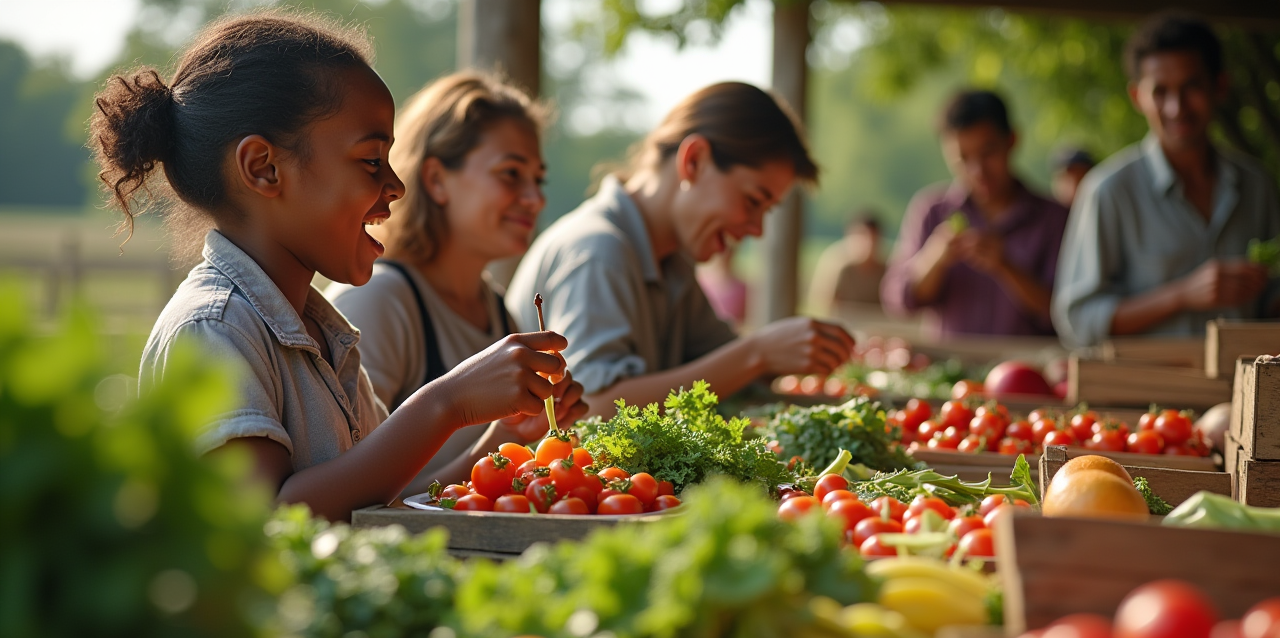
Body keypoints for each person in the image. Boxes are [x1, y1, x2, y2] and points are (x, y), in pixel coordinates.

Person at [95, 12, 579, 521]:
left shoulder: (322, 333)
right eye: (371, 161)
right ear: (264, 168)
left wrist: (498, 440)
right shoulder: (215, 327)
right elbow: (266, 522)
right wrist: (446, 403)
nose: (396, 186)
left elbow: (378, 505)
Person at [506, 82, 855, 413]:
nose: (757, 229)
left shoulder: (673, 263)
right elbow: (593, 409)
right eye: (752, 201)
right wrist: (759, 353)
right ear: (694, 161)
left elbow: (723, 368)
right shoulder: (598, 250)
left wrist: (784, 354)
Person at [326, 72, 587, 492]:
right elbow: (353, 504)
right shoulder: (378, 300)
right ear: (436, 180)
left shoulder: (499, 310)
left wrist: (520, 439)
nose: (535, 199)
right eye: (510, 174)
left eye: (538, 179)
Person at [1052, 13, 1280, 348]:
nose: (1176, 108)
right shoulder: (1109, 191)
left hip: (1251, 391)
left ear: (1220, 86)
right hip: (1147, 395)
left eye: (1192, 87)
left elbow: (1272, 299)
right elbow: (1077, 321)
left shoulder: (1257, 186)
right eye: (1160, 91)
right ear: (1137, 97)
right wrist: (1182, 295)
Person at [881, 89, 1068, 338]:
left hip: (1028, 371)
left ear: (1012, 140)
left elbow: (1064, 313)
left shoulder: (1053, 218)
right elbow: (898, 302)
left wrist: (1005, 266)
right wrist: (934, 259)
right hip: (949, 371)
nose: (977, 170)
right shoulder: (931, 210)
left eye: (988, 153)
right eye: (962, 158)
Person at [808, 211, 886, 314]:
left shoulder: (884, 268)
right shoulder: (835, 263)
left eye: (873, 238)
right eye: (863, 236)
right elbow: (823, 305)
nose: (869, 244)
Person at [695, 245, 748, 327]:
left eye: (728, 253)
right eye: (721, 254)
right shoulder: (701, 283)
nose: (724, 257)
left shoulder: (743, 289)